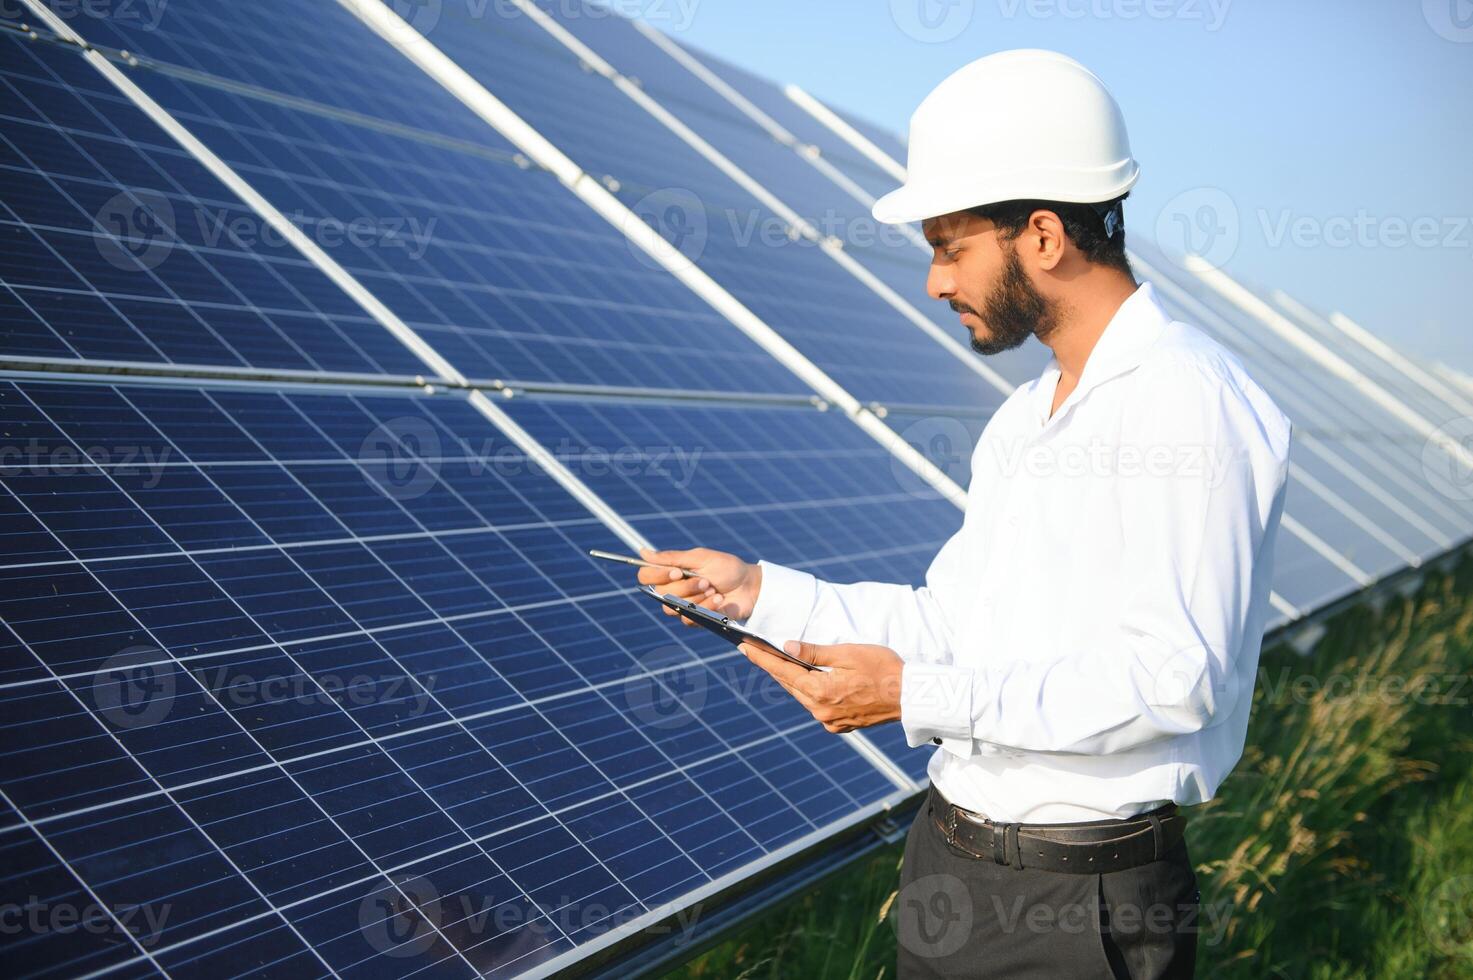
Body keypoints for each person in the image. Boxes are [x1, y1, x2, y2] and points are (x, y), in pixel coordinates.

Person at [635, 49, 1291, 979]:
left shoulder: (1186, 405)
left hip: (1078, 909)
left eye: (950, 249)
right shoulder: (1027, 419)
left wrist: (915, 696)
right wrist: (757, 594)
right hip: (949, 867)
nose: (935, 283)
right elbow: (953, 623)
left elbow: (1171, 678)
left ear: (1042, 236)